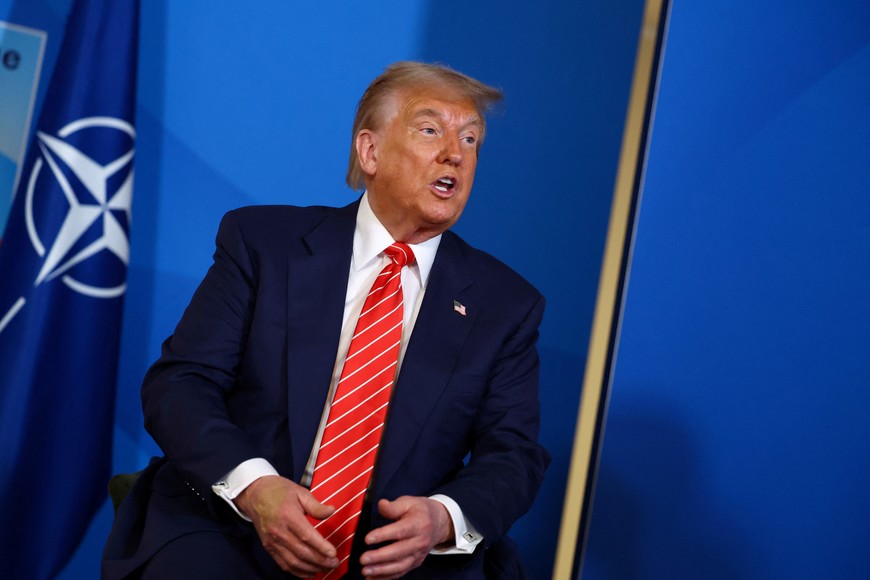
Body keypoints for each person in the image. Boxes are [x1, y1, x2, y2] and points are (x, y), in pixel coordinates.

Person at [103, 61, 549, 579]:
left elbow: (514, 454)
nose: (455, 153)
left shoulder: (505, 305)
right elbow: (180, 384)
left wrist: (441, 518)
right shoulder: (265, 245)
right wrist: (254, 486)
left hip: (391, 557)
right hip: (233, 526)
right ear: (371, 151)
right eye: (431, 130)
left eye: (471, 139)